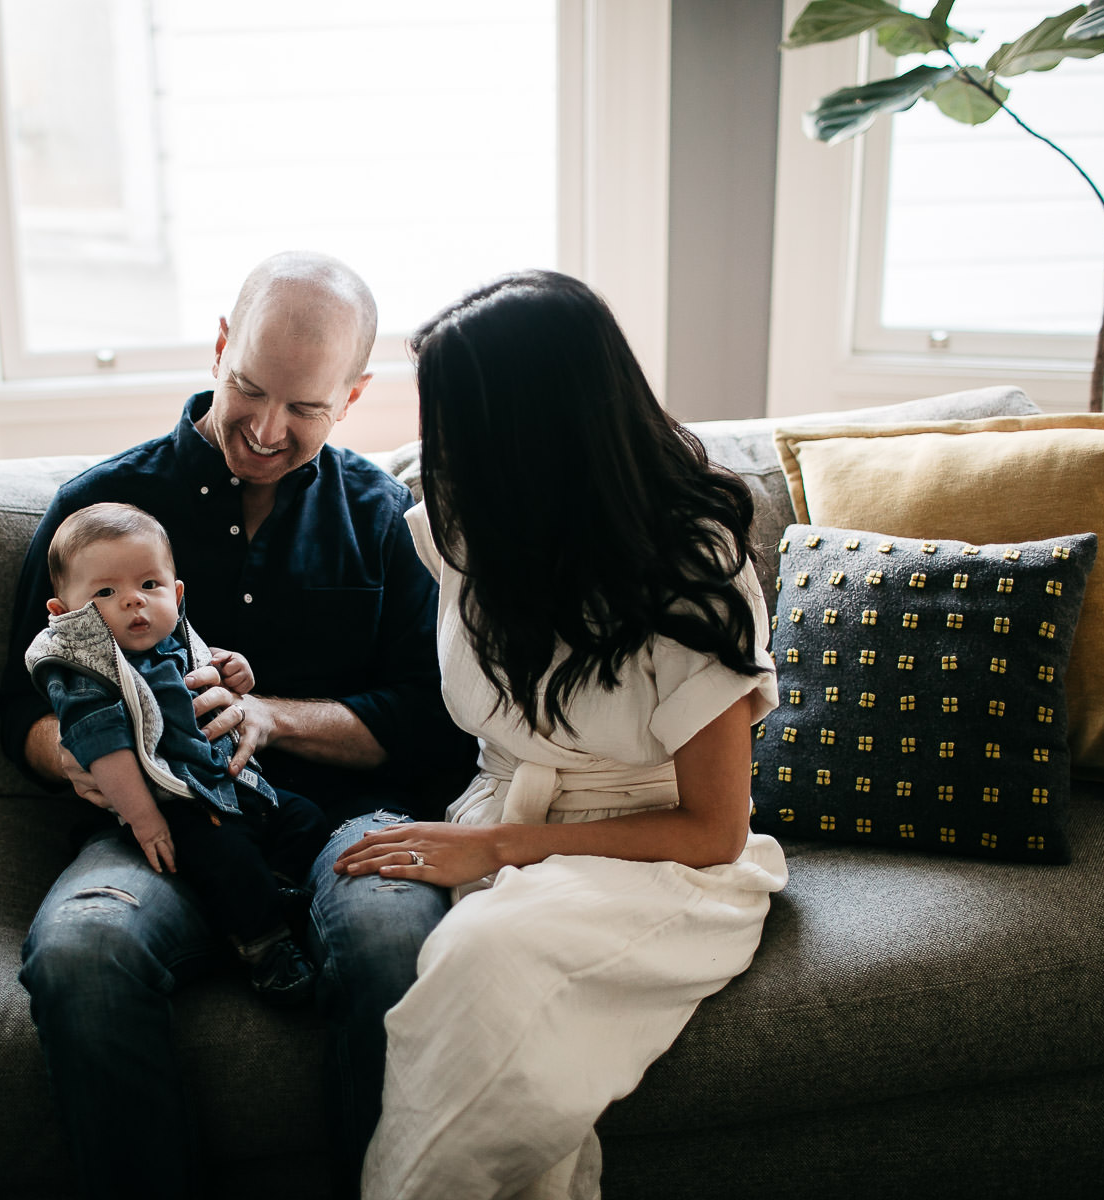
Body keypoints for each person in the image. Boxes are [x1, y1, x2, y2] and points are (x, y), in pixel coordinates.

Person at [0, 251, 474, 1198]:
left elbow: (434, 724)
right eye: (248, 389)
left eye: (304, 409)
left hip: (342, 824)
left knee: (391, 944)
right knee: (80, 953)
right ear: (219, 345)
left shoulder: (388, 520)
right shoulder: (96, 516)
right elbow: (19, 707)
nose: (264, 430)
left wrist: (273, 717)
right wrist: (86, 765)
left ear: (354, 395)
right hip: (162, 827)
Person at [335, 270, 789, 1200]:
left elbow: (714, 831)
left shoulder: (692, 563)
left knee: (484, 959)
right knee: (513, 1060)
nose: (436, 447)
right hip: (506, 817)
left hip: (662, 859)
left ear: (532, 428)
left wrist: (501, 847)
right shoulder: (470, 527)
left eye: (456, 420)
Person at [25, 501, 327, 1004]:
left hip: (229, 786)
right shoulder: (87, 674)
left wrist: (237, 673)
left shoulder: (175, 638)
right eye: (105, 592)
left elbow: (221, 681)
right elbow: (107, 756)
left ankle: (265, 892)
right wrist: (146, 822)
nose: (134, 603)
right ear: (64, 613)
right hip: (175, 802)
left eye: (149, 586)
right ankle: (266, 949)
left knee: (305, 820)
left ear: (176, 592)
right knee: (228, 858)